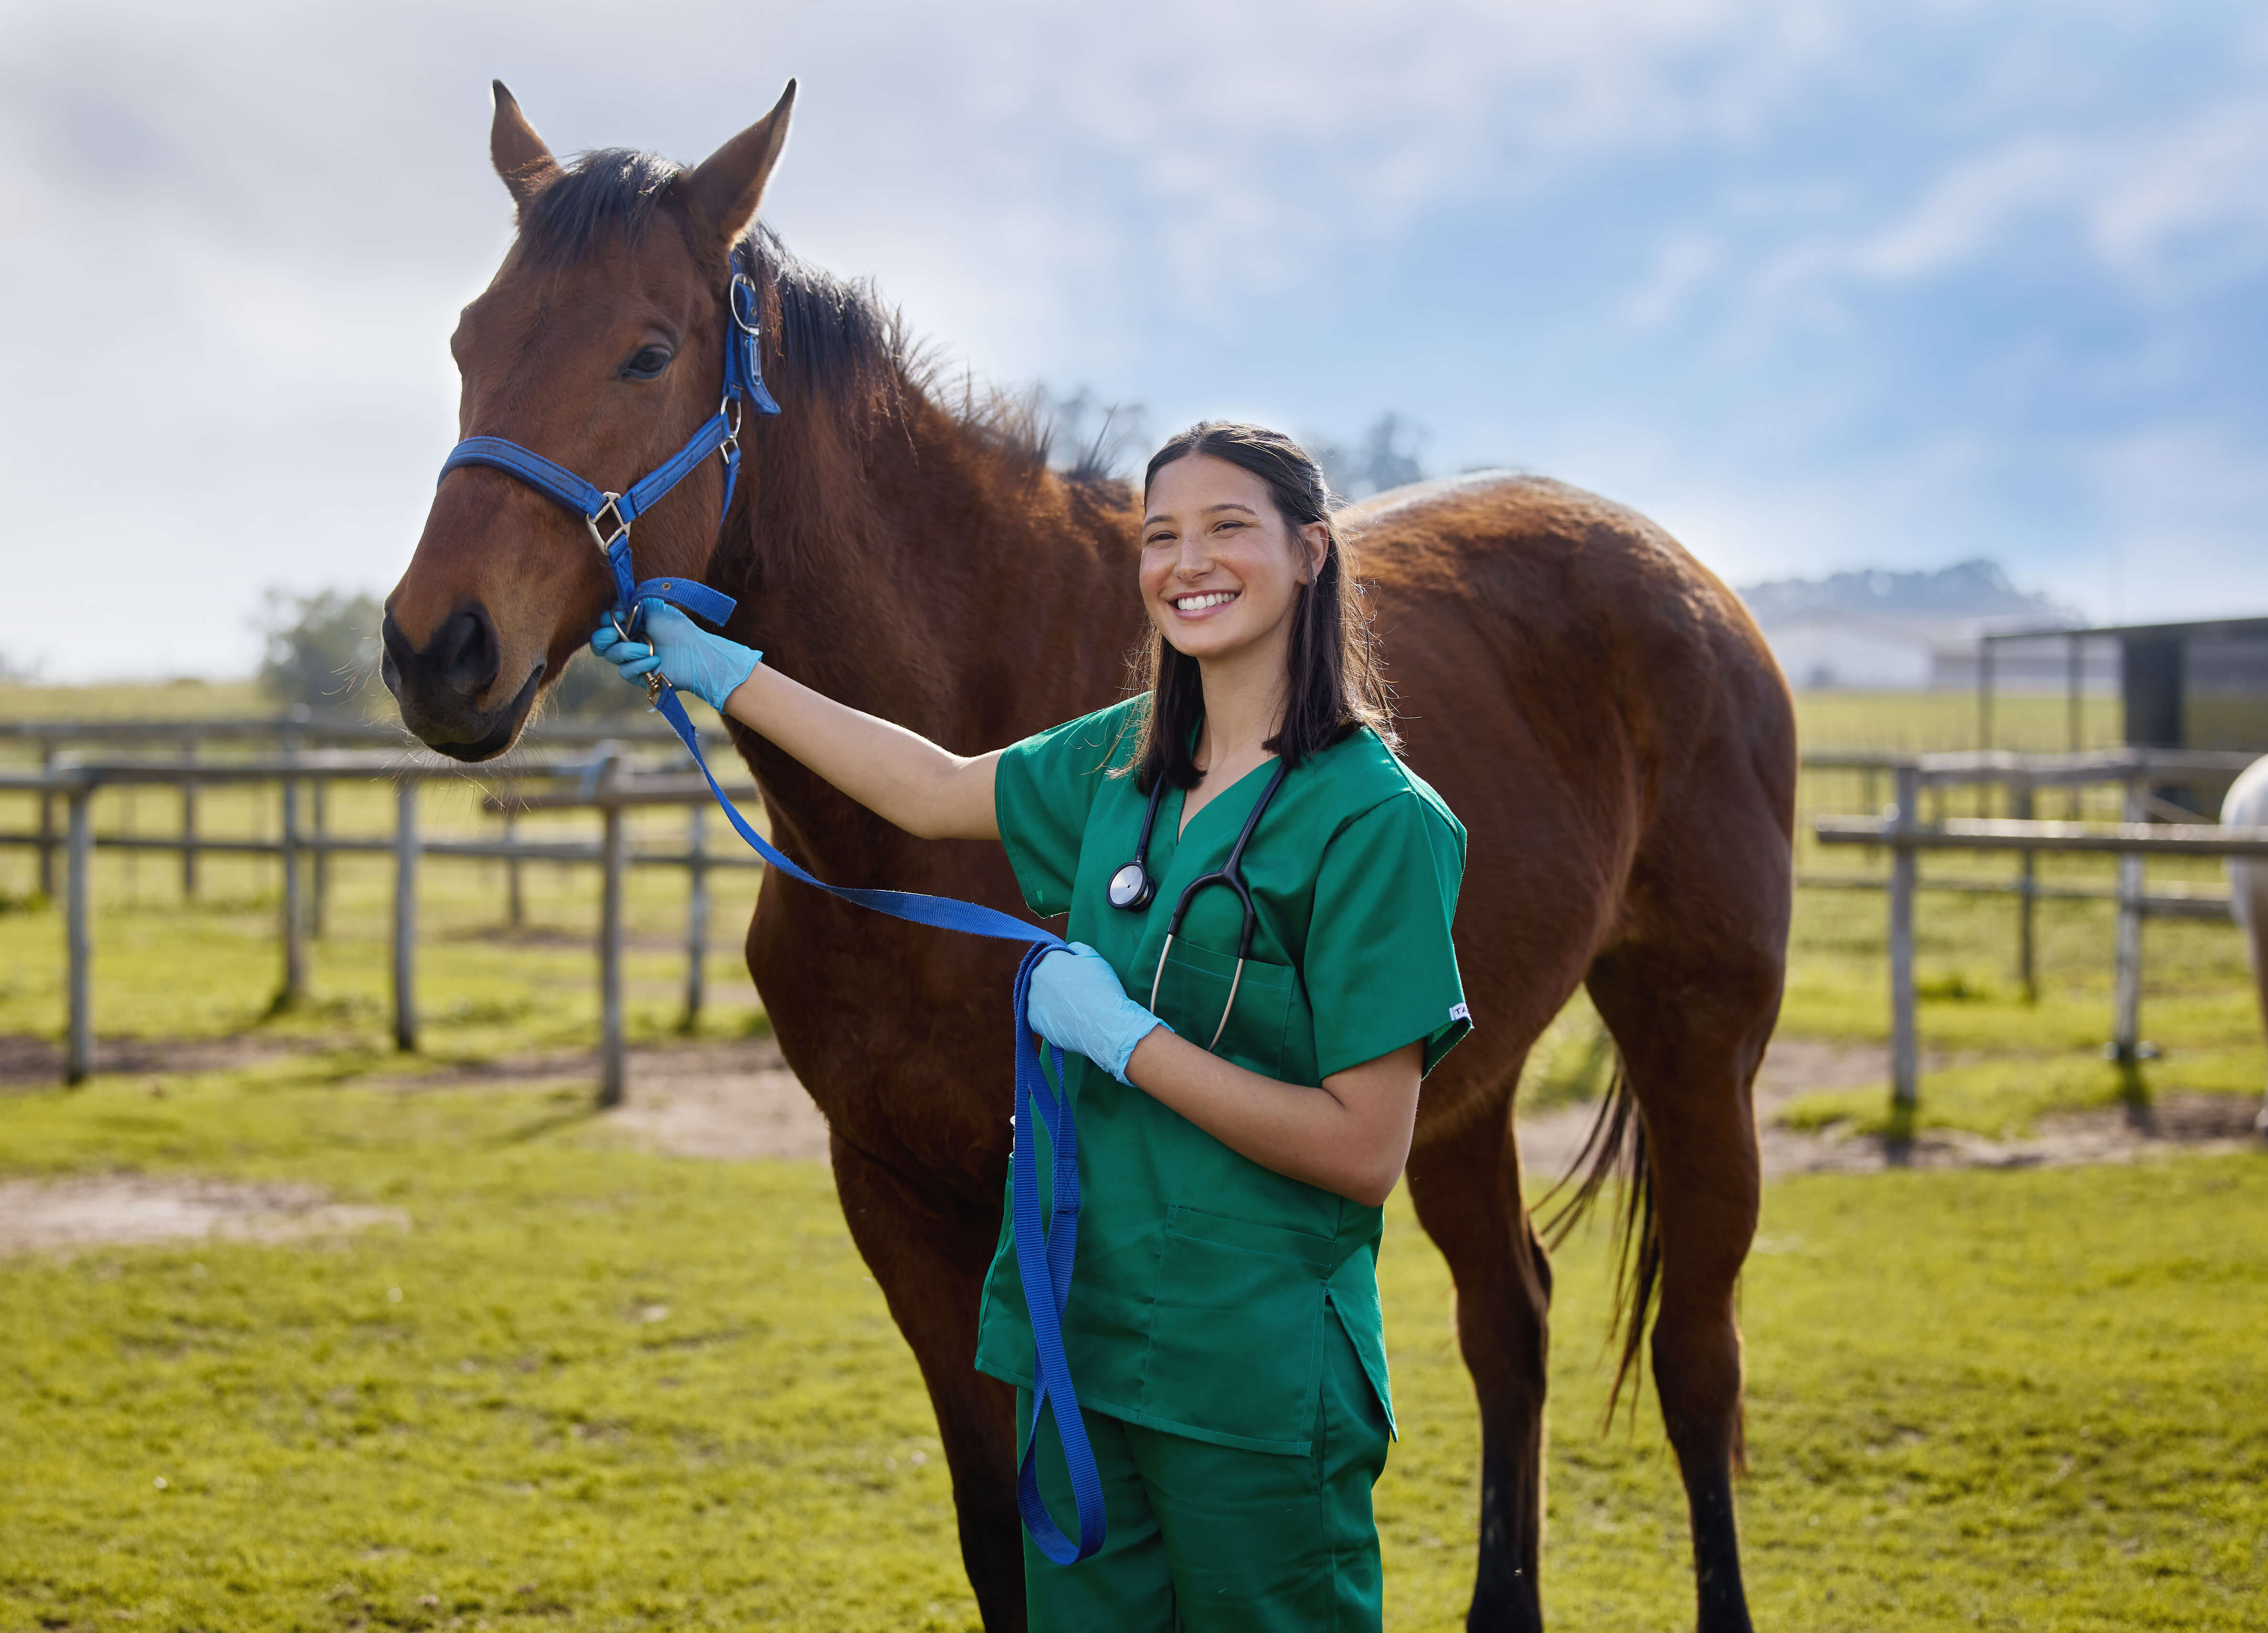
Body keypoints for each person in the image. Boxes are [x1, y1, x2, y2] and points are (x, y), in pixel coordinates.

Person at [591, 421, 1469, 1632]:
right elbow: (925, 785)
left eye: (1228, 529)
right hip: (1076, 1351)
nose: (1186, 562)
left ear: (1312, 554)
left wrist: (1127, 1043)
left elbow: (1365, 1147)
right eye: (1162, 535)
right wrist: (720, 668)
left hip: (1252, 1380)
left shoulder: (1379, 823)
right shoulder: (1119, 763)